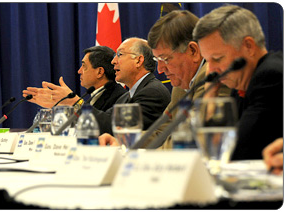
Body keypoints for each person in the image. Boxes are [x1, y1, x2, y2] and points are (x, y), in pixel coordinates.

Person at [99, 10, 231, 148]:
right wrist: (124, 141)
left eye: (165, 59)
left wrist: (142, 159)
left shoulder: (213, 76)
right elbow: (161, 132)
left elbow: (194, 140)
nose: (160, 69)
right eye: (157, 60)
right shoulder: (180, 85)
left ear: (193, 51)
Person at [193, 5, 283, 160]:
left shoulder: (270, 76)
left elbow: (232, 152)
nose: (212, 70)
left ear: (248, 46)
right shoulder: (241, 84)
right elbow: (212, 149)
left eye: (218, 58)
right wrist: (211, 94)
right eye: (207, 61)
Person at [92, 37, 171, 134]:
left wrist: (74, 102)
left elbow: (115, 127)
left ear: (138, 61)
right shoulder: (125, 97)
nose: (113, 61)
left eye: (120, 55)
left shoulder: (153, 93)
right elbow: (105, 121)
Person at [22, 46, 127, 112]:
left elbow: (100, 125)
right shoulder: (94, 95)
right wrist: (58, 107)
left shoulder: (120, 98)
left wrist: (75, 102)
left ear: (99, 72)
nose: (79, 71)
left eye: (84, 66)